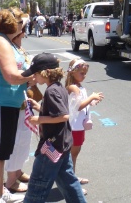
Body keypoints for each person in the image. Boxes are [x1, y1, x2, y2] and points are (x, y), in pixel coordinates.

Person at [0, 8, 34, 203]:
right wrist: (33, 72)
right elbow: (11, 76)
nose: (23, 27)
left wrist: (29, 77)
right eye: (21, 23)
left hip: (7, 104)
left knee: (1, 155)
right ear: (14, 24)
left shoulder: (6, 41)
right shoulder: (1, 43)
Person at [24, 53, 87, 202]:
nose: (34, 77)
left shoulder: (51, 91)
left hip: (51, 146)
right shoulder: (59, 87)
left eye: (35, 74)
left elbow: (63, 115)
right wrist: (40, 108)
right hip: (62, 144)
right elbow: (56, 111)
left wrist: (38, 119)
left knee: (37, 185)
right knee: (68, 182)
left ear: (45, 73)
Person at [4, 15, 34, 195]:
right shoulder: (8, 48)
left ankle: (17, 170)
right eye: (21, 28)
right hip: (14, 98)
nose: (23, 31)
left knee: (24, 137)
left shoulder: (17, 47)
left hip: (23, 97)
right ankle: (10, 179)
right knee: (16, 139)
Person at [65, 58, 103, 185]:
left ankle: (72, 177)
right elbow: (78, 106)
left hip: (78, 125)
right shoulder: (73, 87)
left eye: (85, 73)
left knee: (74, 153)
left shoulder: (79, 87)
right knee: (72, 154)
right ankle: (70, 181)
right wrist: (91, 97)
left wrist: (92, 101)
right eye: (82, 73)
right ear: (73, 72)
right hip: (74, 126)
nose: (84, 75)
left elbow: (82, 104)